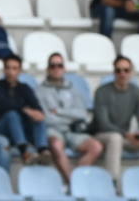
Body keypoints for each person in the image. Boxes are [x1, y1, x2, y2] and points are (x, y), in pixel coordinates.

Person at [91, 56, 139, 179]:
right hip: (102, 135)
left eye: (126, 70)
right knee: (115, 138)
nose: (122, 74)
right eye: (118, 70)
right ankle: (112, 182)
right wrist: (126, 134)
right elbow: (103, 124)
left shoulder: (136, 92)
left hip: (124, 136)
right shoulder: (102, 92)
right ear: (114, 72)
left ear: (132, 72)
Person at [41, 52, 106, 185]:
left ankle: (74, 178)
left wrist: (59, 112)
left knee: (96, 147)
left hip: (73, 130)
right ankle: (74, 183)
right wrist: (69, 116)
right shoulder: (39, 91)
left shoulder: (73, 89)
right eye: (53, 66)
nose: (56, 68)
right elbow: (46, 118)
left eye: (59, 65)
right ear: (48, 69)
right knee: (56, 145)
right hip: (54, 130)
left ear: (64, 68)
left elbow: (82, 114)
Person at [0, 54, 48, 166]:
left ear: (20, 71)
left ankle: (43, 150)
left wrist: (37, 113)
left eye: (14, 68)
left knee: (38, 117)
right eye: (8, 68)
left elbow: (37, 108)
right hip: (2, 129)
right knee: (12, 115)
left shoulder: (25, 88)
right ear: (4, 69)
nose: (11, 72)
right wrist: (24, 110)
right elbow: (4, 106)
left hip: (22, 129)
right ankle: (24, 151)